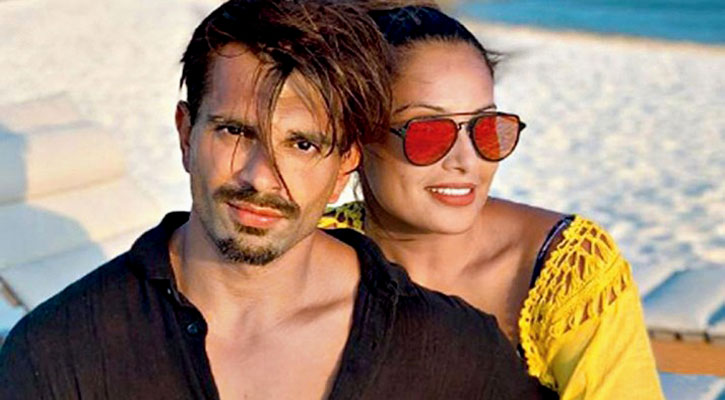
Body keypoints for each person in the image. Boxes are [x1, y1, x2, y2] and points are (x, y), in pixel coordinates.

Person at [0, 1, 547, 398]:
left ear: (346, 162)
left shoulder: (451, 353)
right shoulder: (61, 353)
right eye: (236, 131)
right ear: (186, 133)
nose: (263, 177)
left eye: (303, 144)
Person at [320, 5, 664, 399]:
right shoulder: (313, 250)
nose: (467, 160)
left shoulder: (563, 270)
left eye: (486, 129)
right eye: (429, 133)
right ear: (358, 137)